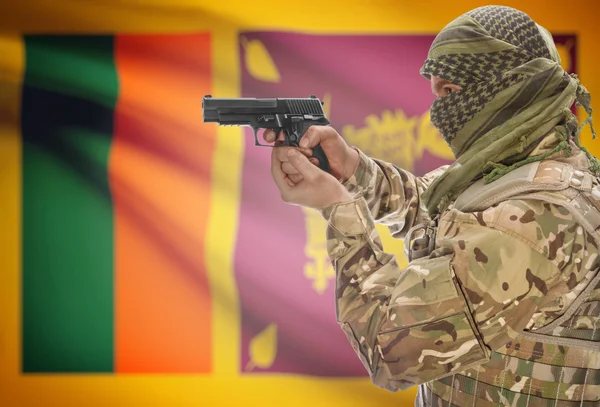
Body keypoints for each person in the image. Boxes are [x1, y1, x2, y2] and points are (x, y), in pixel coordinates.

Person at [264, 5, 600, 407]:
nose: (439, 111)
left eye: (451, 92)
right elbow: (430, 207)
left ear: (508, 85)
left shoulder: (534, 220)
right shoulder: (517, 170)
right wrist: (351, 168)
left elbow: (392, 352)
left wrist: (339, 209)